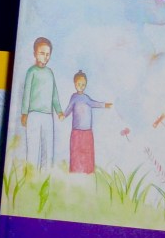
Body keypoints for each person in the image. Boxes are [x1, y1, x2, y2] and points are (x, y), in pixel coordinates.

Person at [20, 37, 63, 170]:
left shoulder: (50, 73)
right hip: (33, 115)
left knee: (48, 150)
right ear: (35, 53)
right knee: (33, 148)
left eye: (48, 54)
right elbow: (26, 93)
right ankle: (30, 177)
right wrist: (24, 113)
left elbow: (54, 94)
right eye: (42, 53)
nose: (45, 57)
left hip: (48, 116)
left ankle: (46, 178)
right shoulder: (31, 71)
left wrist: (59, 111)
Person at [63, 71, 112, 173]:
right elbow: (69, 109)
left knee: (87, 151)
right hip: (76, 131)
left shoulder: (86, 98)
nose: (81, 87)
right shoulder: (74, 97)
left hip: (87, 131)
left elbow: (94, 103)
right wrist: (63, 115)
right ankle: (75, 171)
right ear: (75, 84)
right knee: (76, 151)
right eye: (79, 84)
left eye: (83, 85)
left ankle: (88, 171)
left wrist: (105, 105)